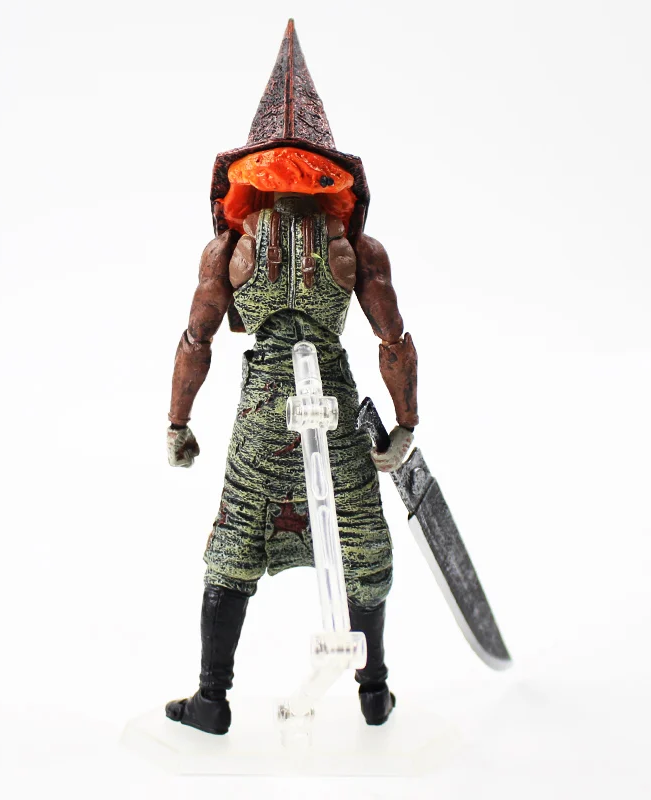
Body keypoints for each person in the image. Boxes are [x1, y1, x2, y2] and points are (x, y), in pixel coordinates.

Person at [164, 20, 418, 736]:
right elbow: (392, 339)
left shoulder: (230, 246)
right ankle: (374, 691)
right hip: (334, 402)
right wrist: (404, 424)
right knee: (361, 541)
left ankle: (212, 699)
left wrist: (178, 423)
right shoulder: (354, 246)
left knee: (235, 545)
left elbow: (196, 339)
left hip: (262, 414)